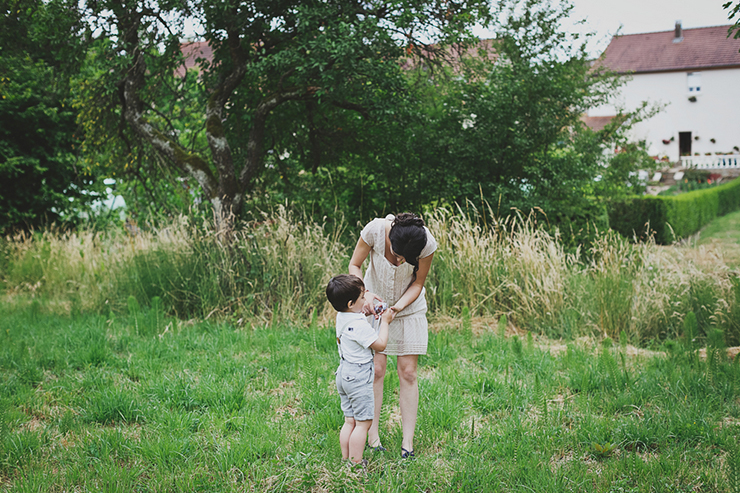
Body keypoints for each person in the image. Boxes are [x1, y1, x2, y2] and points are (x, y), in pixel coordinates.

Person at [348, 212, 437, 459]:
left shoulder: (426, 243)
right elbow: (354, 265)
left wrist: (397, 308)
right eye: (397, 254)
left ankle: (407, 443)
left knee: (408, 372)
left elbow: (418, 284)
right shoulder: (374, 230)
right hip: (374, 304)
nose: (399, 261)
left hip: (408, 307)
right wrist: (364, 295)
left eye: (405, 259)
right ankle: (373, 436)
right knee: (376, 369)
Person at [326, 274, 395, 466]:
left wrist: (362, 313)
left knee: (349, 421)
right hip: (359, 376)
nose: (365, 300)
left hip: (343, 373)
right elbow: (380, 345)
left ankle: (345, 458)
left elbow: (354, 321)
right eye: (362, 298)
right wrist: (385, 323)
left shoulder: (342, 316)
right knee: (363, 424)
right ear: (350, 303)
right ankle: (356, 464)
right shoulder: (359, 326)